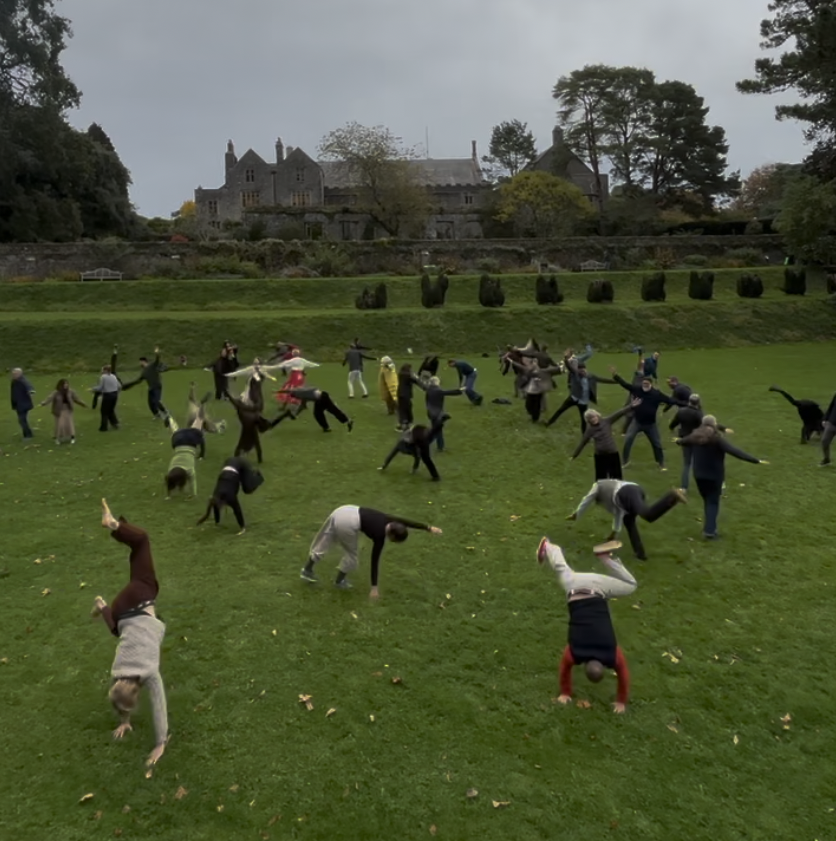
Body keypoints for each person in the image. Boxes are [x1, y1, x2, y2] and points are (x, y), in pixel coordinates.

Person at [91, 499, 168, 769]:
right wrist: (159, 742)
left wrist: (158, 742)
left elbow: (156, 706)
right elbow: (125, 700)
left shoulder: (147, 674)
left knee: (142, 542)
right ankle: (102, 606)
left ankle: (113, 524)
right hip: (121, 611)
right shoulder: (117, 670)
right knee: (118, 631)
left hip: (139, 599)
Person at [537, 537, 633, 713]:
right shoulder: (575, 652)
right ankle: (549, 547)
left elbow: (624, 675)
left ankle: (605, 558)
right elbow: (564, 669)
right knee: (562, 568)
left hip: (596, 588)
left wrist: (622, 702)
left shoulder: (612, 653)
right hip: (573, 587)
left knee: (631, 585)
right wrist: (565, 693)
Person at [300, 505, 443, 596]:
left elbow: (406, 522)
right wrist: (374, 587)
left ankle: (307, 570)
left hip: (343, 510)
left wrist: (428, 528)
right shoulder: (379, 536)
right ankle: (339, 581)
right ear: (392, 536)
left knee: (326, 539)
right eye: (394, 541)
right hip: (347, 523)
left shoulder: (389, 519)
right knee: (352, 555)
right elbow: (375, 561)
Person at [675, 415, 766, 539]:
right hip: (714, 476)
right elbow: (735, 451)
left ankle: (709, 527)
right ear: (714, 425)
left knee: (707, 501)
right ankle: (710, 532)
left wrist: (678, 441)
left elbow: (682, 441)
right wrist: (755, 460)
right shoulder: (717, 439)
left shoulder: (694, 436)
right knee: (713, 502)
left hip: (699, 475)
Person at [567, 479, 687, 560]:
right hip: (631, 492)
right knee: (629, 522)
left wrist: (576, 514)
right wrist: (614, 532)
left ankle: (672, 496)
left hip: (628, 492)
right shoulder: (612, 499)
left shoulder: (598, 485)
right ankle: (640, 554)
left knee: (648, 515)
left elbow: (587, 499)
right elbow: (619, 512)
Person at [609, 367, 683, 470]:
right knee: (628, 439)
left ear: (650, 384)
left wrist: (685, 403)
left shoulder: (656, 394)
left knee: (657, 444)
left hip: (650, 425)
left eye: (647, 384)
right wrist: (616, 376)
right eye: (643, 383)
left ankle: (661, 463)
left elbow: (669, 400)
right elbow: (626, 385)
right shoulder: (637, 389)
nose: (645, 385)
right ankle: (625, 462)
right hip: (637, 422)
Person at [667, 394, 731, 491]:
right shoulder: (698, 414)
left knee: (687, 464)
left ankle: (683, 488)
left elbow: (673, 423)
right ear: (698, 403)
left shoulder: (681, 411)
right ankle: (720, 482)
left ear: (689, 401)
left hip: (685, 440)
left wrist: (672, 429)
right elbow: (709, 424)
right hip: (698, 440)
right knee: (708, 461)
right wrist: (723, 429)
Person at [546, 347, 616, 432]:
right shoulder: (575, 374)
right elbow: (570, 367)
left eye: (583, 370)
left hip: (583, 402)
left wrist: (618, 381)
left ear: (586, 369)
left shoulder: (591, 377)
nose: (582, 371)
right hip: (574, 398)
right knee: (560, 410)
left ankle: (584, 434)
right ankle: (549, 423)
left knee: (584, 420)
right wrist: (566, 358)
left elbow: (603, 380)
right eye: (580, 370)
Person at [570, 400, 639, 480]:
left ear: (597, 415)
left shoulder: (607, 421)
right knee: (601, 478)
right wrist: (574, 455)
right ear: (588, 421)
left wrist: (631, 406)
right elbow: (583, 443)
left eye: (594, 417)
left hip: (612, 453)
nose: (593, 419)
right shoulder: (590, 430)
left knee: (616, 477)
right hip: (600, 456)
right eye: (590, 419)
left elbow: (619, 413)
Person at [196, 456, 264, 535]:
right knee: (244, 486)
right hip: (229, 463)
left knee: (247, 489)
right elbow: (215, 508)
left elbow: (237, 510)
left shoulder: (230, 497)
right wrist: (217, 523)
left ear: (222, 503)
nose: (219, 508)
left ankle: (258, 477)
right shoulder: (215, 496)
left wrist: (242, 528)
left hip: (241, 464)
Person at [164, 403, 206, 498]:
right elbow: (169, 480)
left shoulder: (189, 470)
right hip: (178, 441)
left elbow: (193, 482)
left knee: (199, 421)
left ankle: (202, 407)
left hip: (190, 442)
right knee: (175, 429)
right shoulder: (171, 469)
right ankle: (170, 419)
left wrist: (194, 494)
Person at [377, 420, 444, 480]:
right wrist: (384, 465)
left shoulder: (413, 438)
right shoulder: (402, 444)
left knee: (426, 457)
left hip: (421, 439)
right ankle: (440, 422)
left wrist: (414, 469)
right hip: (421, 439)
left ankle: (435, 476)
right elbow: (392, 454)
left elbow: (417, 456)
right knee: (426, 456)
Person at [505, 355, 563, 423]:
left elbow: (556, 369)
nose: (533, 364)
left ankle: (535, 419)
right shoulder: (528, 370)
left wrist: (563, 364)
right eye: (533, 362)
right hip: (531, 390)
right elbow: (519, 366)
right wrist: (510, 360)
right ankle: (533, 415)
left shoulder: (543, 371)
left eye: (535, 362)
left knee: (536, 406)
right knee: (528, 405)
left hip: (539, 390)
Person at [413, 375, 462, 451]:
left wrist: (416, 378)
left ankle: (440, 447)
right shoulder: (438, 391)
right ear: (436, 382)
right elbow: (449, 392)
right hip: (437, 414)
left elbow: (422, 385)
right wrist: (460, 390)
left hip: (431, 413)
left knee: (437, 430)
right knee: (436, 431)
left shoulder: (429, 389)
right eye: (438, 381)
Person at [282, 386, 354, 433]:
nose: (295, 398)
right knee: (323, 413)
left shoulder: (299, 394)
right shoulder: (302, 392)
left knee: (328, 411)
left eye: (294, 396)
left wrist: (295, 415)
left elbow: (302, 404)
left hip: (322, 398)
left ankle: (345, 421)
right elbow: (302, 405)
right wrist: (295, 415)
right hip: (320, 398)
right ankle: (329, 427)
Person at [122, 347, 168, 420]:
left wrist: (157, 353)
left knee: (156, 401)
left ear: (144, 361)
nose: (139, 363)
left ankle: (165, 412)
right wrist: (127, 385)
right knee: (150, 403)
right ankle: (157, 415)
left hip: (157, 386)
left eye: (140, 362)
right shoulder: (144, 372)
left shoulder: (152, 366)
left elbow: (157, 360)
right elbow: (138, 381)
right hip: (151, 388)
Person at [38, 378, 87, 444]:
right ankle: (58, 438)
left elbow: (76, 399)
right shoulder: (56, 392)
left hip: (68, 409)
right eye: (64, 384)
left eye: (67, 383)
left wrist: (83, 404)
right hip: (59, 410)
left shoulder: (70, 392)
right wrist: (43, 403)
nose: (66, 385)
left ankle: (72, 437)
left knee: (69, 424)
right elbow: (50, 398)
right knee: (60, 425)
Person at [91, 359, 122, 432]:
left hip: (108, 395)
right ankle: (115, 423)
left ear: (105, 370)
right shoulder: (113, 376)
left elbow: (100, 387)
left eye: (102, 370)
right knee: (110, 410)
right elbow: (119, 386)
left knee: (104, 412)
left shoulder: (103, 377)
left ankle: (103, 427)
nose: (101, 371)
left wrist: (93, 389)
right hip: (114, 395)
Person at [10, 367, 35, 439]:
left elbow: (29, 387)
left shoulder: (23, 381)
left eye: (15, 374)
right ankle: (27, 433)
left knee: (22, 420)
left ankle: (28, 435)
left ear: (20, 374)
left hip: (23, 404)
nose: (13, 375)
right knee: (22, 420)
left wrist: (31, 391)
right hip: (18, 404)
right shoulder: (14, 381)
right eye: (13, 374)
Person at [396, 364, 415, 431]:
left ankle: (401, 424)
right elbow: (416, 380)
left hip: (400, 394)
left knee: (401, 409)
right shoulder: (408, 375)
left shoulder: (400, 374)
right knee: (408, 409)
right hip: (406, 395)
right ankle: (407, 424)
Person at [821, 392, 836, 466]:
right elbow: (831, 406)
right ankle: (826, 459)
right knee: (825, 441)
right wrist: (825, 419)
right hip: (832, 422)